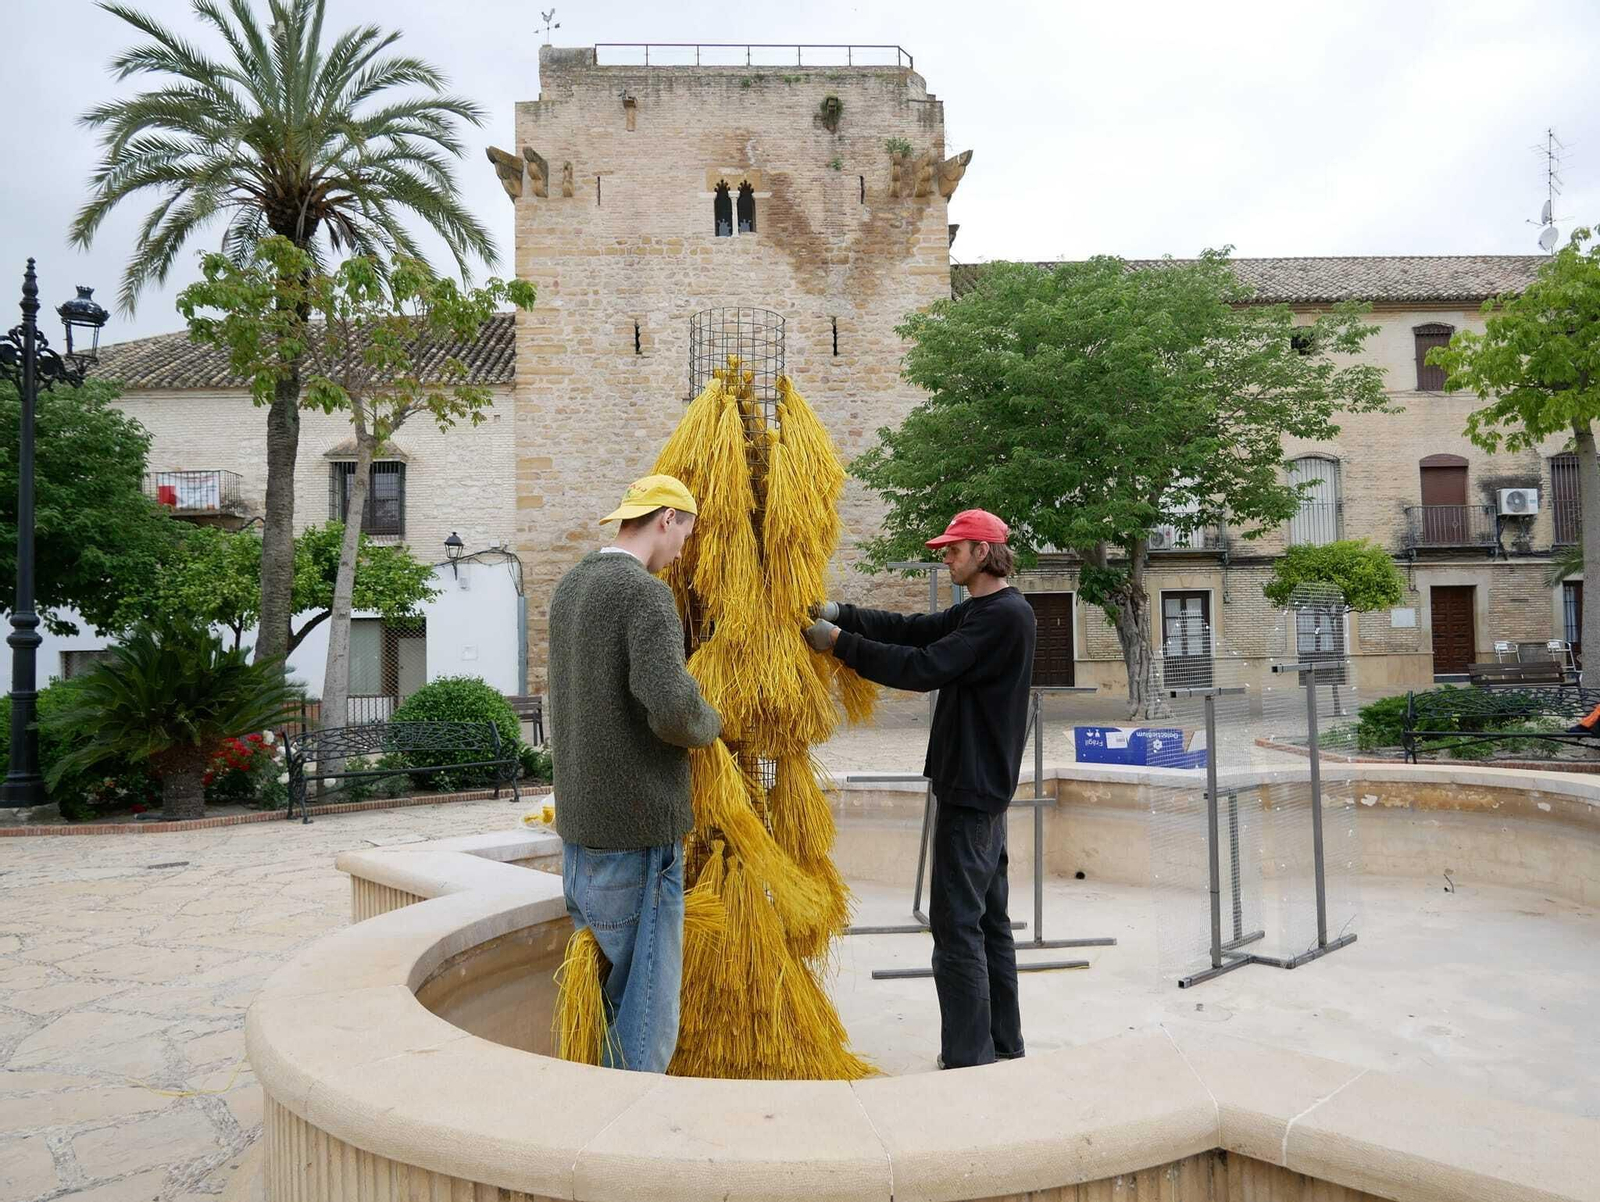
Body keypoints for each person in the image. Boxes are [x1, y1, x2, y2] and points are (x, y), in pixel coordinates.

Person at [803, 509, 1037, 1069]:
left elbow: (923, 666)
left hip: (972, 790)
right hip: (980, 787)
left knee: (957, 925)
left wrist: (839, 644)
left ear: (983, 552)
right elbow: (912, 629)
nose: (945, 558)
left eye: (953, 550)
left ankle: (968, 1058)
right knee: (988, 920)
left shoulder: (1001, 617)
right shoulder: (987, 610)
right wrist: (843, 614)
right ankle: (1003, 1043)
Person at [548, 474, 722, 1072]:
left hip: (580, 835)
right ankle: (629, 1149)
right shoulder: (644, 595)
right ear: (666, 519)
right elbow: (671, 708)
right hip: (637, 835)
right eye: (686, 533)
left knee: (601, 1007)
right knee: (646, 1024)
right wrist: (711, 722)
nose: (682, 550)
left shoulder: (572, 587)